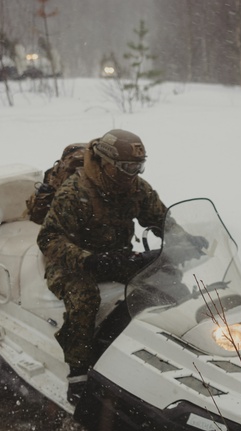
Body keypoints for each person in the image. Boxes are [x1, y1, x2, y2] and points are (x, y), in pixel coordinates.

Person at [37, 129, 167, 403]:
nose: (133, 174)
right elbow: (48, 238)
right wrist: (87, 259)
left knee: (164, 276)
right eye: (127, 167)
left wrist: (183, 239)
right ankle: (78, 372)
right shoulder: (75, 191)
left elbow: (160, 217)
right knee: (84, 300)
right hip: (72, 260)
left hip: (115, 255)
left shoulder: (135, 188)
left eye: (138, 167)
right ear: (106, 163)